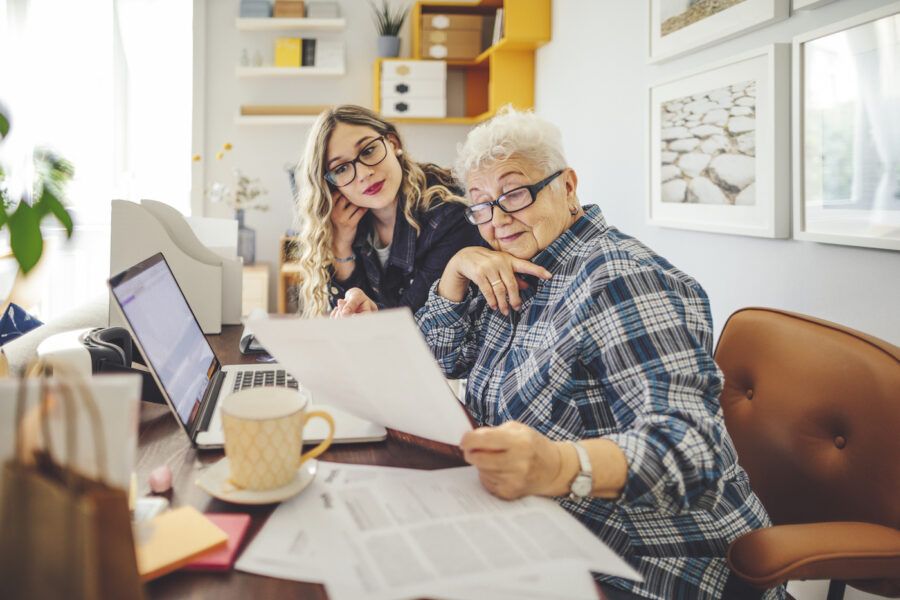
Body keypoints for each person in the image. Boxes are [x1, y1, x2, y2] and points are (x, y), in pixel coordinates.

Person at [337, 107, 781, 600]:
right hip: (544, 531)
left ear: (567, 186)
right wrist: (455, 272)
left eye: (515, 193)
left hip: (650, 568)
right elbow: (443, 361)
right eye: (481, 204)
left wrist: (558, 465)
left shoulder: (620, 279)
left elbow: (695, 452)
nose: (498, 219)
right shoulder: (525, 270)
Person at [292, 105, 483, 317]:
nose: (364, 174)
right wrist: (341, 247)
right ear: (332, 185)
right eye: (341, 168)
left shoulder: (447, 214)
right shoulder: (347, 222)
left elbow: (416, 323)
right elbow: (350, 318)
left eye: (368, 150)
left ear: (393, 144)